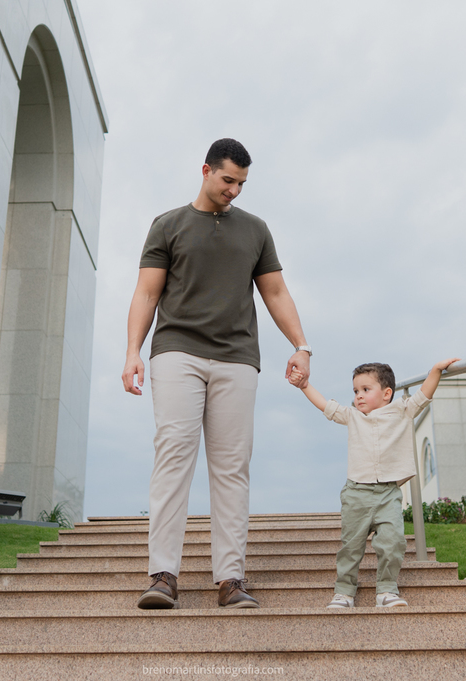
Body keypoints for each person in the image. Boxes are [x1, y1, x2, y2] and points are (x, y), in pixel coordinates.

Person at [123, 138, 312, 610]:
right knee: (173, 457)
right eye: (228, 180)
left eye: (242, 183)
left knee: (232, 467)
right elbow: (146, 293)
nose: (234, 190)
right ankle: (163, 575)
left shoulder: (255, 230)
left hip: (237, 357)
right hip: (177, 352)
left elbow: (275, 292)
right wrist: (132, 352)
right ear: (205, 170)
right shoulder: (168, 225)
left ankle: (230, 579)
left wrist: (301, 345)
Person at [288, 357, 458, 608]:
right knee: (351, 546)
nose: (358, 395)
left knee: (393, 542)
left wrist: (436, 370)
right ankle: (344, 592)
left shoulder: (402, 411)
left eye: (366, 389)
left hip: (388, 493)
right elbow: (325, 405)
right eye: (356, 391)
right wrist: (304, 385)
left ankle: (387, 590)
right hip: (356, 493)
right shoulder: (353, 416)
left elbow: (424, 395)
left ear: (387, 393)